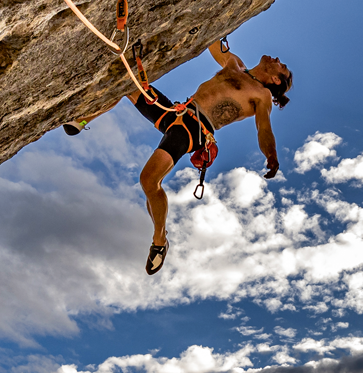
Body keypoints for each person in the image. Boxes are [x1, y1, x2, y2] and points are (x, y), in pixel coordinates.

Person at [64, 44, 292, 275]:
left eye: (281, 66)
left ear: (275, 79)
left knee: (149, 180)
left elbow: (264, 128)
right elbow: (212, 41)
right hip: (176, 112)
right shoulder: (234, 64)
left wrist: (271, 154)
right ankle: (82, 120)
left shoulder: (261, 94)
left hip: (194, 129)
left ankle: (160, 240)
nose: (277, 58)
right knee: (127, 82)